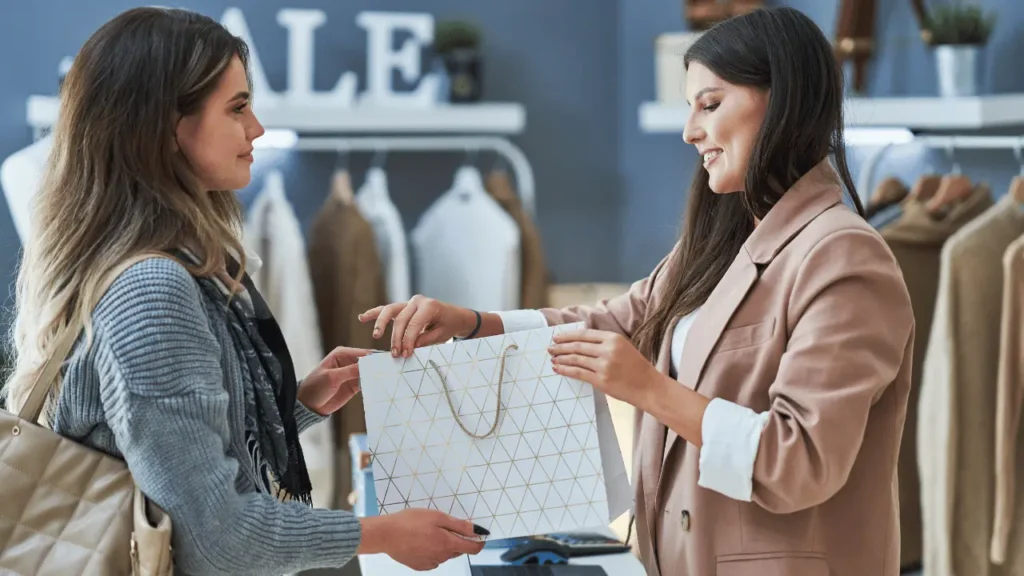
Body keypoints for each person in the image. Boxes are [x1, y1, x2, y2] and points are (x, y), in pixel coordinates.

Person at [362, 7, 914, 576]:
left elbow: (798, 461)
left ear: (784, 101)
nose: (689, 130)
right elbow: (616, 323)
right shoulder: (722, 241)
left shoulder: (845, 256)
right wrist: (475, 323)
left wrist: (647, 388)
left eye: (711, 103)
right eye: (690, 107)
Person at [1, 7, 484, 575]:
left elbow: (175, 458)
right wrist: (379, 534)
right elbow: (218, 537)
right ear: (167, 128)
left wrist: (298, 405)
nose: (256, 128)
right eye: (237, 108)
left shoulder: (155, 265)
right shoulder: (151, 291)